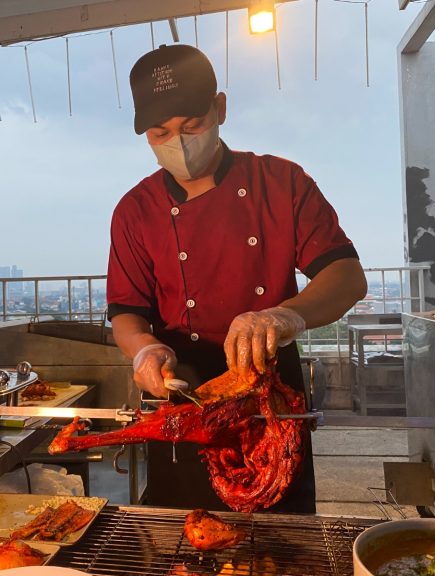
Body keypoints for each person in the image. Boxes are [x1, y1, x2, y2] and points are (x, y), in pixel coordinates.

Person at [106, 44, 368, 512]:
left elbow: (346, 276)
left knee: (281, 529)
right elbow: (127, 312)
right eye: (160, 132)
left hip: (270, 392)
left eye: (192, 125)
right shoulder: (135, 211)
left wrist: (285, 315)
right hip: (184, 391)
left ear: (220, 108)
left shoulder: (282, 182)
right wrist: (143, 349)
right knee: (184, 526)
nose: (178, 142)